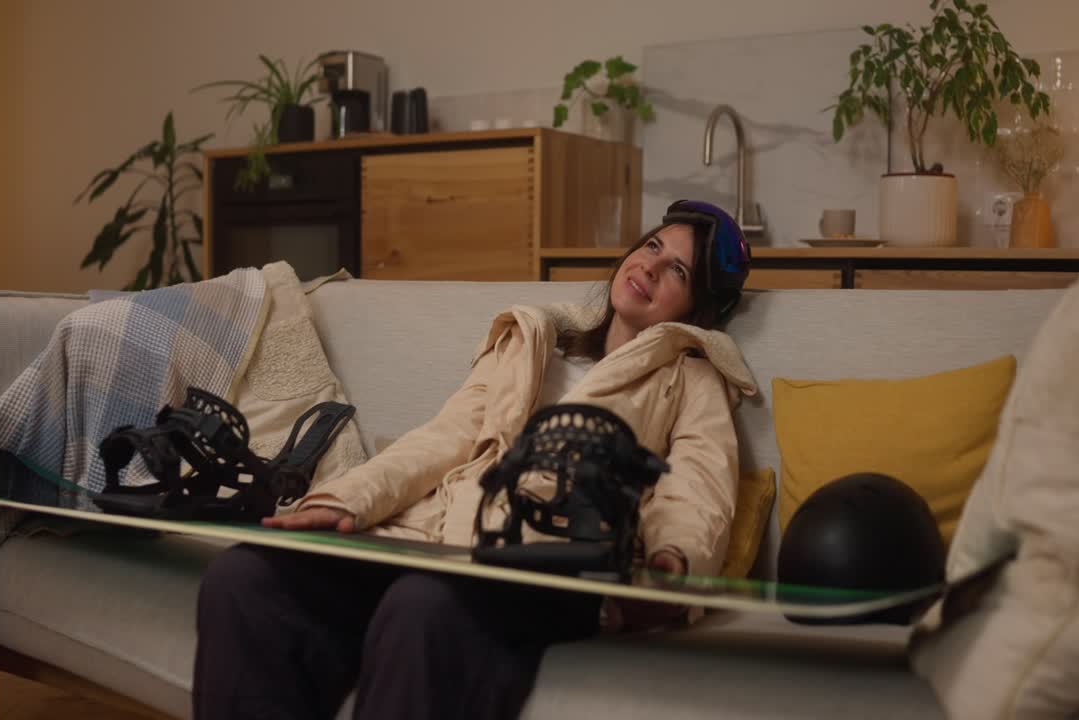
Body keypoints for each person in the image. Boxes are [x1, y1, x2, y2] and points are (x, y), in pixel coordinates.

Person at [192, 199, 758, 720]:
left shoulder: (690, 377)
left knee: (424, 609)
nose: (652, 267)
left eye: (679, 271)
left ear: (697, 308)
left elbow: (698, 486)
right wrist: (345, 499)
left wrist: (671, 563)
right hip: (435, 543)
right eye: (654, 246)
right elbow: (443, 438)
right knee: (246, 580)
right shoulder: (532, 340)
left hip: (549, 565)